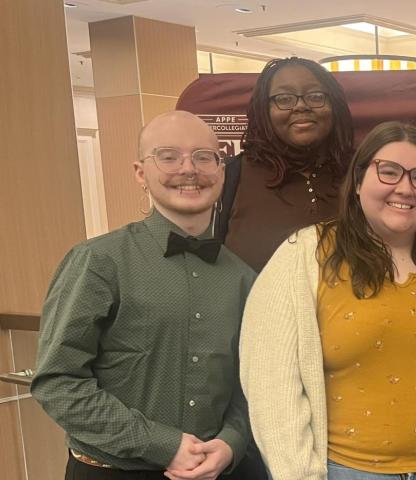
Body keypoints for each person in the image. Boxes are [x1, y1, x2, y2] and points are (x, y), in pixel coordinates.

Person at [239, 122, 416, 480]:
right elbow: (271, 382)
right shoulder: (304, 256)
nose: (405, 188)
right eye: (389, 172)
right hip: (342, 472)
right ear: (358, 181)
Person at [32, 111, 255, 479]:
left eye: (204, 157)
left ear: (221, 171)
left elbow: (251, 384)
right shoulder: (98, 261)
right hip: (109, 471)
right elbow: (57, 382)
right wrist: (162, 444)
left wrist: (232, 441)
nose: (189, 169)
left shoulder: (244, 278)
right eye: (168, 156)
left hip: (216, 471)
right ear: (140, 172)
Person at [217, 56, 354, 272]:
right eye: (284, 98)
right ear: (264, 110)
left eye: (315, 96)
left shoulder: (362, 174)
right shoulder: (229, 177)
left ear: (335, 106)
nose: (301, 106)